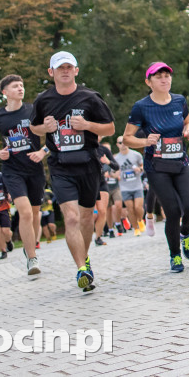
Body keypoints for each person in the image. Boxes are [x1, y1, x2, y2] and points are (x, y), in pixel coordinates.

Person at [30, 51, 115, 292]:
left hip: (88, 164)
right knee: (72, 218)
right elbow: (34, 128)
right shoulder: (43, 100)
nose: (65, 71)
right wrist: (43, 127)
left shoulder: (90, 98)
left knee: (87, 218)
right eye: (60, 68)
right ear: (51, 72)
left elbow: (110, 127)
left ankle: (84, 258)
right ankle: (81, 269)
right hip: (60, 166)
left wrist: (87, 125)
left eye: (69, 67)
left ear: (76, 70)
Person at [124, 62, 189, 272]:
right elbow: (127, 138)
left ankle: (185, 233)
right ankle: (175, 255)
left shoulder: (179, 101)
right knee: (173, 211)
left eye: (167, 75)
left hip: (180, 162)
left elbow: (188, 122)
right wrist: (145, 142)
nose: (164, 79)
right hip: (157, 166)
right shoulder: (141, 107)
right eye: (158, 76)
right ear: (148, 82)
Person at [0, 74, 46, 276]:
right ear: (5, 92)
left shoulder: (33, 110)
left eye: (22, 85)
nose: (20, 88)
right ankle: (32, 258)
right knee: (26, 212)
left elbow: (54, 134)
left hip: (35, 169)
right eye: (15, 86)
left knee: (35, 213)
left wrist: (42, 152)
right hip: (12, 170)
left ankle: (31, 244)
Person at [114, 135, 146, 236]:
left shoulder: (136, 155)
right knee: (130, 209)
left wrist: (139, 169)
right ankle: (136, 228)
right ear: (117, 145)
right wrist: (116, 175)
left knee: (138, 207)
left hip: (137, 185)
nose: (122, 144)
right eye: (120, 143)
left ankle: (140, 220)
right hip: (124, 187)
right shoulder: (116, 158)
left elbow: (143, 166)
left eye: (124, 142)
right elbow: (112, 173)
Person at [94, 141, 120, 244]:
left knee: (102, 211)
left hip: (101, 183)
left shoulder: (103, 150)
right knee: (91, 215)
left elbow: (116, 166)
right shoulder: (83, 148)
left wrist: (107, 161)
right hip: (88, 184)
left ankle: (98, 237)